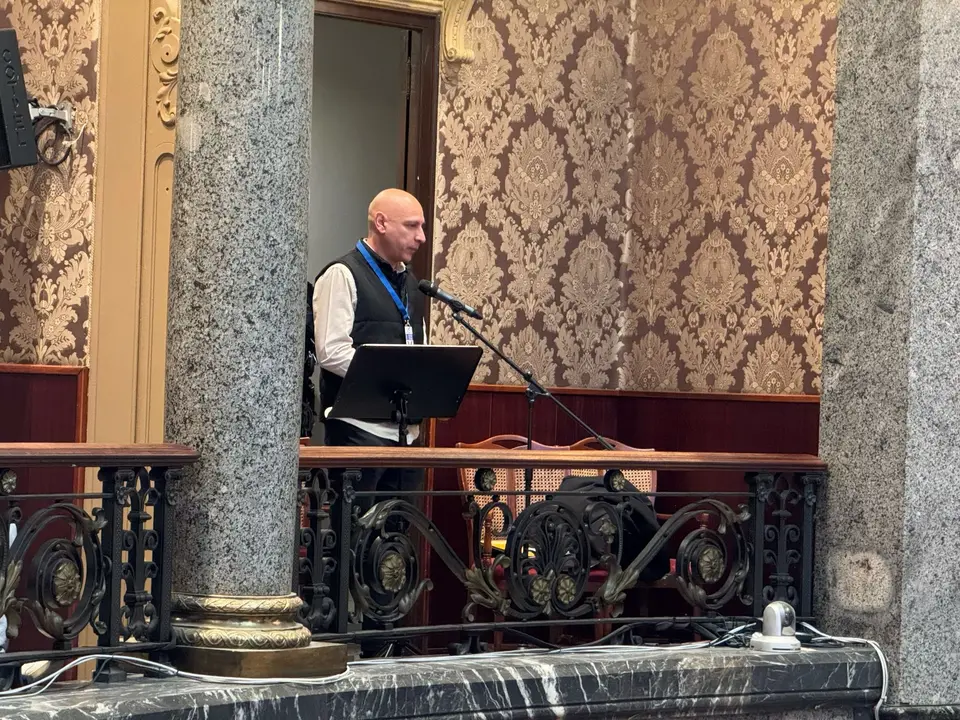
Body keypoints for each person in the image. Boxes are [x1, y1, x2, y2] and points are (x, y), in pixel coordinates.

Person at [312, 188, 428, 514]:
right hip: (359, 434)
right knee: (354, 544)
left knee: (397, 545)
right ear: (380, 223)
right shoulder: (342, 274)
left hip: (407, 436)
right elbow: (331, 351)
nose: (420, 237)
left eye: (422, 227)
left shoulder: (413, 286)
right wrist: (390, 377)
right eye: (411, 226)